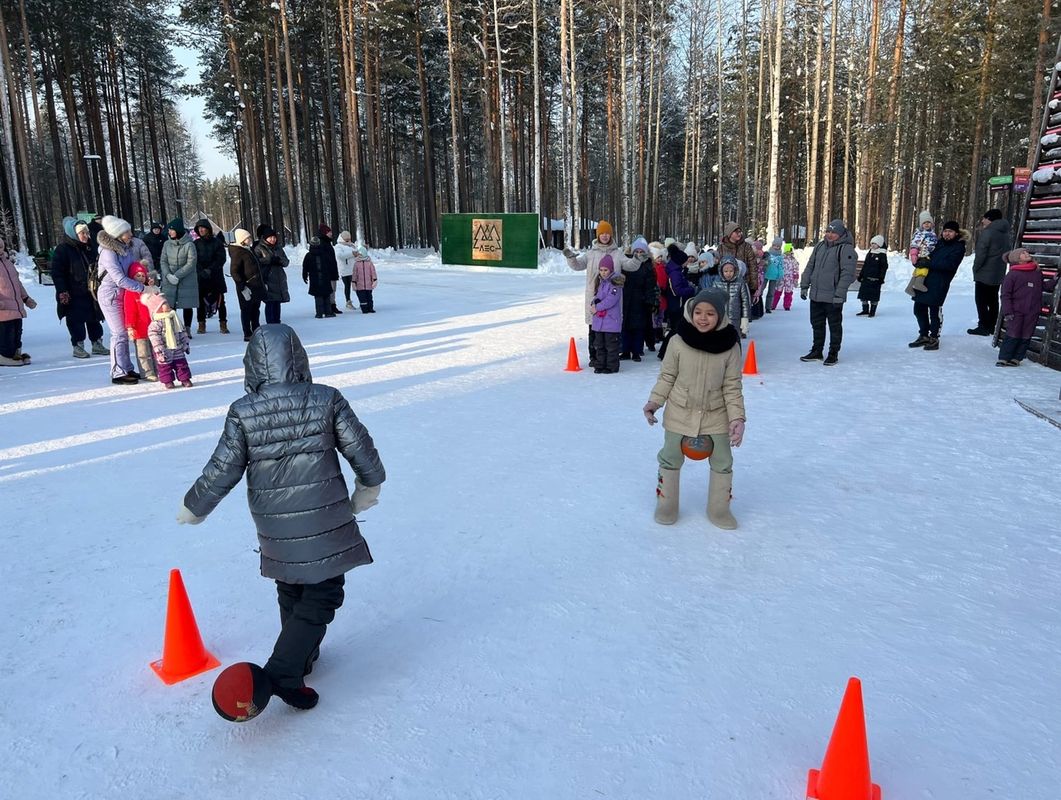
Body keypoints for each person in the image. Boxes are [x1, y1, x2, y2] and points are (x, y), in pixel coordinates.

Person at [177, 324, 385, 709]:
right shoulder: (325, 399)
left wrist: (195, 505)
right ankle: (285, 671)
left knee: (291, 585)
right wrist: (369, 486)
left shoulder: (243, 412)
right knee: (323, 593)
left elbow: (223, 467)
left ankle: (302, 656)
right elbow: (361, 448)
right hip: (324, 515)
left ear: (251, 366)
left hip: (272, 522)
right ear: (299, 359)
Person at [642, 288, 746, 529]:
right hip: (680, 412)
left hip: (716, 415)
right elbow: (667, 376)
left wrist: (737, 418)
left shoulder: (730, 346)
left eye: (710, 313)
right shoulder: (677, 341)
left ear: (720, 316)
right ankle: (666, 504)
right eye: (698, 311)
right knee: (670, 457)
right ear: (690, 311)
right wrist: (654, 402)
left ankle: (719, 509)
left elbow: (732, 386)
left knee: (723, 460)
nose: (703, 317)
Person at [564, 220, 627, 365]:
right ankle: (595, 357)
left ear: (611, 235)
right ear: (598, 235)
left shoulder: (618, 253)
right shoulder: (591, 254)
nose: (605, 236)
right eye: (602, 233)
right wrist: (571, 258)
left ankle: (610, 359)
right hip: (595, 297)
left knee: (610, 329)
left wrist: (637, 259)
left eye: (607, 233)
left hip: (612, 297)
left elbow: (630, 265)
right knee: (593, 328)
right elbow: (578, 265)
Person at [799, 218, 858, 365]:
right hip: (816, 295)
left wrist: (839, 294)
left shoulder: (846, 249)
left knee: (834, 326)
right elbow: (810, 266)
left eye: (833, 232)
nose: (829, 235)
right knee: (817, 324)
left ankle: (833, 353)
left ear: (840, 234)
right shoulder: (820, 246)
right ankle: (817, 350)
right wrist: (805, 285)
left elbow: (848, 274)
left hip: (833, 297)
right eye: (828, 231)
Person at [96, 215, 147, 384]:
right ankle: (118, 371)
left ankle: (126, 367)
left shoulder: (125, 248)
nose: (130, 234)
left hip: (123, 295)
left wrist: (145, 277)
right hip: (110, 296)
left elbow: (132, 269)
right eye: (127, 232)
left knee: (125, 332)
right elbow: (119, 279)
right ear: (118, 234)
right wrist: (141, 288)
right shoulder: (108, 252)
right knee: (118, 334)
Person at [51, 217, 107, 359]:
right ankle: (78, 345)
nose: (86, 236)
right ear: (74, 234)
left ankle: (97, 342)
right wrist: (62, 290)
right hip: (73, 292)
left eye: (87, 233)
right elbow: (57, 273)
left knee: (94, 317)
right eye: (83, 233)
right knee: (76, 320)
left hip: (91, 290)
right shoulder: (63, 250)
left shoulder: (91, 247)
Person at [908, 221, 967, 351]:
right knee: (918, 308)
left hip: (940, 282)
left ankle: (934, 337)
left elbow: (949, 265)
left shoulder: (959, 247)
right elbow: (926, 253)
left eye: (950, 231)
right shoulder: (938, 243)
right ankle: (923, 334)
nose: (947, 233)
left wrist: (928, 263)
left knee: (934, 311)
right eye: (945, 231)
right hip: (926, 280)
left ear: (956, 233)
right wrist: (919, 260)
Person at [996, 248, 1053, 366]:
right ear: (1017, 259)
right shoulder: (1012, 275)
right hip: (1016, 311)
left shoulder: (1036, 272)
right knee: (1013, 333)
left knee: (1027, 334)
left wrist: (1055, 280)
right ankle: (1004, 358)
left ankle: (1017, 358)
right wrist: (1008, 311)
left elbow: (1043, 286)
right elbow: (1005, 294)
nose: (1027, 254)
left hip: (1033, 310)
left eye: (1027, 252)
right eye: (1023, 253)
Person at [969, 208, 1011, 336]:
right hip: (998, 271)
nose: (983, 221)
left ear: (990, 219)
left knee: (981, 300)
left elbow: (981, 254)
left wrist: (975, 268)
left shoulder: (988, 233)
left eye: (985, 218)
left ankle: (983, 325)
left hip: (985, 272)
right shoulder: (1006, 233)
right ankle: (992, 325)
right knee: (993, 299)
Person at [0, 236, 37, 366]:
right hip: (3, 309)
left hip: (16, 306)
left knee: (17, 331)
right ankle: (4, 355)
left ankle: (15, 354)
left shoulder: (7, 263)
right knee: (6, 333)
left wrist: (26, 298)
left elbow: (17, 283)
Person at [144, 292, 192, 388]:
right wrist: (158, 348)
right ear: (158, 309)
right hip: (164, 350)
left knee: (181, 364)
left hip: (177, 347)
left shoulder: (174, 319)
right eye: (164, 305)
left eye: (167, 304)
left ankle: (185, 379)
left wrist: (185, 343)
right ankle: (168, 381)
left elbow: (181, 331)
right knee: (165, 367)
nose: (168, 306)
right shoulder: (156, 323)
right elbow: (154, 336)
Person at [160, 218, 199, 332]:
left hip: (186, 279)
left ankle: (187, 329)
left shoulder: (189, 245)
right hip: (169, 279)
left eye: (172, 230)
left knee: (187, 304)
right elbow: (163, 261)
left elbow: (191, 262)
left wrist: (177, 276)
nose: (170, 232)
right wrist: (168, 275)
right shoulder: (167, 244)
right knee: (170, 305)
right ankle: (172, 329)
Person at [123, 262, 158, 381]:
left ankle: (158, 369)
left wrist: (153, 288)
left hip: (152, 327)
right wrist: (130, 327)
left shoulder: (148, 290)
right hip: (139, 328)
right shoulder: (130, 292)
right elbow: (129, 310)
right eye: (138, 276)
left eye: (143, 276)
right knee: (143, 353)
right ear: (132, 277)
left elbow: (157, 302)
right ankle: (147, 372)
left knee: (155, 350)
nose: (141, 278)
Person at [620, 237, 654, 361]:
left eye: (641, 251)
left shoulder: (648, 265)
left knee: (638, 326)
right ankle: (625, 351)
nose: (639, 254)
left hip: (640, 299)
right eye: (636, 251)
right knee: (625, 325)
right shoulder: (627, 262)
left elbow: (651, 284)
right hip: (626, 296)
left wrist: (650, 300)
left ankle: (636, 351)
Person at [589, 255, 624, 373]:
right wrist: (594, 302)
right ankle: (600, 364)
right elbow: (598, 296)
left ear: (611, 270)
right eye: (601, 270)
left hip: (611, 321)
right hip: (600, 322)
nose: (603, 273)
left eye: (606, 270)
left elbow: (611, 300)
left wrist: (597, 307)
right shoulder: (601, 282)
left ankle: (611, 366)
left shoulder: (615, 283)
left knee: (611, 346)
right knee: (600, 345)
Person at [193, 219, 229, 335]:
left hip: (215, 276)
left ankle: (223, 323)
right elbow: (193, 259)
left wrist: (211, 269)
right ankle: (201, 324)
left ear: (208, 229)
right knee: (200, 302)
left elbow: (221, 258)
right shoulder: (196, 244)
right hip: (201, 276)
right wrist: (200, 270)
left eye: (203, 228)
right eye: (199, 228)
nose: (201, 230)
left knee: (220, 301)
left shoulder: (217, 242)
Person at [229, 228, 265, 342]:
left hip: (255, 285)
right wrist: (242, 287)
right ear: (242, 240)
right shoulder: (238, 252)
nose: (250, 239)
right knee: (246, 310)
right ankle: (247, 333)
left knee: (256, 309)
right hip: (246, 286)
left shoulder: (249, 250)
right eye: (247, 238)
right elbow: (234, 272)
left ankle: (256, 329)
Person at [254, 225, 290, 324]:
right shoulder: (259, 248)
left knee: (277, 302)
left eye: (274, 237)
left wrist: (279, 260)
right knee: (270, 302)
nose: (273, 239)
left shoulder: (278, 248)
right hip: (267, 279)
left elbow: (286, 262)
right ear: (265, 238)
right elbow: (256, 262)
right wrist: (269, 260)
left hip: (279, 279)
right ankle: (270, 323)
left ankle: (277, 322)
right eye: (270, 237)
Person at [662, 242, 698, 336]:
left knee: (676, 329)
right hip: (676, 305)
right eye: (686, 261)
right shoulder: (675, 273)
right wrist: (691, 289)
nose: (687, 262)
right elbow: (677, 290)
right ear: (681, 261)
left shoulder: (677, 271)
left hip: (677, 304)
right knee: (675, 330)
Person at [717, 222, 759, 299]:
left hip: (743, 284)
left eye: (740, 231)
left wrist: (753, 287)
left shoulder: (746, 247)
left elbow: (753, 267)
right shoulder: (721, 248)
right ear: (729, 233)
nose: (739, 233)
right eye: (736, 232)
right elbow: (718, 267)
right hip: (725, 285)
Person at [718, 256, 751, 338]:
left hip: (736, 318)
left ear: (735, 270)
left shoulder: (740, 283)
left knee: (735, 338)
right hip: (721, 318)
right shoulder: (716, 283)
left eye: (731, 271)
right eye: (725, 271)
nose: (728, 273)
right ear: (721, 271)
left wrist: (745, 318)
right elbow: (713, 301)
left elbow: (745, 301)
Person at [905, 211, 937, 295]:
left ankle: (909, 287)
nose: (926, 224)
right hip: (922, 255)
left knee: (917, 270)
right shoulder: (920, 234)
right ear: (921, 225)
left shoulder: (932, 234)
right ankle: (918, 284)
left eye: (928, 222)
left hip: (929, 255)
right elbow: (914, 245)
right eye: (924, 223)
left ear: (932, 224)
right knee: (923, 269)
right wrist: (914, 255)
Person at [302, 237, 334, 318]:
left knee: (318, 296)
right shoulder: (324, 253)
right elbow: (330, 265)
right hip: (325, 277)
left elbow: (305, 267)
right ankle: (328, 312)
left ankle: (319, 313)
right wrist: (332, 274)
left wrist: (304, 276)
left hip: (314, 278)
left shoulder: (308, 255)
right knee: (326, 295)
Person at [857, 235, 888, 317]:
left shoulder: (882, 254)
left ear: (880, 244)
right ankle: (865, 309)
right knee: (863, 295)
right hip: (866, 278)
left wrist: (881, 278)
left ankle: (872, 311)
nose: (873, 245)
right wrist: (861, 275)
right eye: (872, 243)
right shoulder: (870, 253)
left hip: (876, 279)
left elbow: (884, 267)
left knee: (874, 296)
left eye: (875, 244)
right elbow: (865, 265)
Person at [317, 224, 342, 315]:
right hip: (327, 271)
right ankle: (328, 306)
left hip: (332, 270)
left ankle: (332, 305)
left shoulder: (327, 243)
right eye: (329, 232)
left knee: (333, 289)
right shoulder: (322, 243)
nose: (331, 233)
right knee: (329, 289)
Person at [772, 243, 800, 311]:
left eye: (790, 251)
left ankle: (787, 305)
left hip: (789, 279)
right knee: (777, 292)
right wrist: (776, 275)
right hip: (781, 278)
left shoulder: (793, 260)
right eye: (788, 251)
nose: (789, 253)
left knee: (788, 293)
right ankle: (773, 305)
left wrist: (795, 278)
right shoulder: (781, 258)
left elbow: (796, 269)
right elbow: (777, 267)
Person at [335, 231, 357, 309]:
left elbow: (356, 252)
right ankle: (348, 302)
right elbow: (340, 256)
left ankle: (362, 301)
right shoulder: (338, 246)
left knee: (357, 285)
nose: (348, 240)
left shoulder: (352, 245)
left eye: (349, 239)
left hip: (354, 269)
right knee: (347, 286)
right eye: (346, 239)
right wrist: (352, 254)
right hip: (344, 270)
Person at [353, 246, 378, 313]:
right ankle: (364, 309)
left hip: (368, 284)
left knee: (369, 297)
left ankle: (370, 308)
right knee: (362, 298)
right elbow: (354, 274)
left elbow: (373, 272)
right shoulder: (356, 263)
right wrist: (353, 282)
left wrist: (374, 279)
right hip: (360, 285)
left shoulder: (369, 262)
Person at [763, 238, 784, 312]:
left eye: (778, 246)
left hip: (774, 276)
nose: (776, 247)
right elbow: (763, 262)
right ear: (772, 245)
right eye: (775, 245)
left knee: (771, 292)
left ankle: (768, 307)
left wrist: (780, 275)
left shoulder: (780, 257)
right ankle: (757, 304)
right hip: (765, 274)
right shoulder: (768, 254)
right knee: (761, 290)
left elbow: (781, 267)